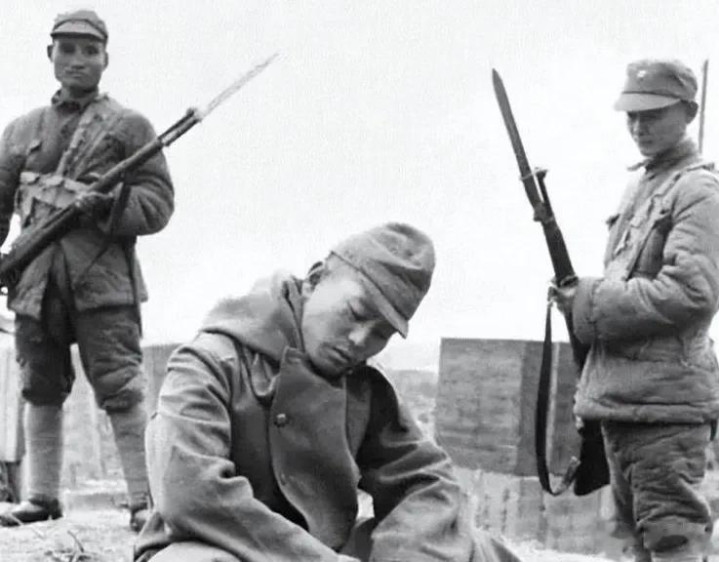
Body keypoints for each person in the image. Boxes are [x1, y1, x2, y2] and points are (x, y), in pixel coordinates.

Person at [133, 223, 521, 561]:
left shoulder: (363, 389)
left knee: (474, 548)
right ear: (316, 279)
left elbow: (427, 481)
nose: (360, 340)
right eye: (355, 313)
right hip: (222, 546)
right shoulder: (211, 362)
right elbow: (192, 495)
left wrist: (406, 553)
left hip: (326, 548)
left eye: (382, 333)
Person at [0, 10, 174, 531]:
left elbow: (158, 203)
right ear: (49, 55)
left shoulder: (129, 127)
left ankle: (144, 501)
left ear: (105, 58)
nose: (78, 60)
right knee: (38, 385)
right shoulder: (21, 130)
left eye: (89, 51)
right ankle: (41, 498)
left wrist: (109, 206)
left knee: (122, 387)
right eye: (67, 49)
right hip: (35, 281)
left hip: (103, 282)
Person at [553, 59, 719, 562]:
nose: (639, 127)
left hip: (665, 411)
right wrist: (576, 297)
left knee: (672, 542)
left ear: (688, 113)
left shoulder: (698, 191)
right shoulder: (646, 186)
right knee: (627, 547)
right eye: (632, 116)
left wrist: (589, 301)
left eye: (653, 115)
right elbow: (631, 281)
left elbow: (691, 292)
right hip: (623, 404)